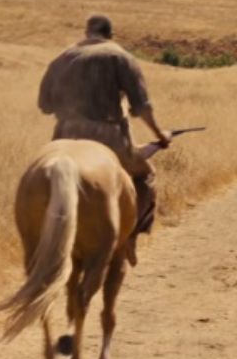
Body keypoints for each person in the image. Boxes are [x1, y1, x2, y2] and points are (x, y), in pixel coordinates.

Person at [38, 15, 171, 256]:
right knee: (146, 176)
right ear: (111, 34)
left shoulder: (62, 58)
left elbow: (44, 106)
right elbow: (141, 107)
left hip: (62, 135)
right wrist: (160, 135)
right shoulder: (120, 57)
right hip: (106, 136)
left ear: (86, 32)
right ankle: (130, 238)